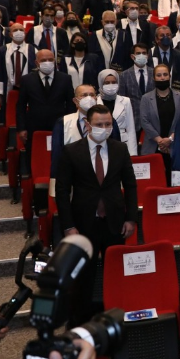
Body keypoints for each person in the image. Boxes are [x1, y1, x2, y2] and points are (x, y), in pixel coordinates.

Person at [56, 104, 138, 322]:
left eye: (108, 124)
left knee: (117, 274)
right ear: (87, 125)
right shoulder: (72, 151)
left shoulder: (120, 149)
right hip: (84, 224)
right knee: (84, 278)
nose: (104, 128)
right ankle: (80, 324)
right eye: (99, 124)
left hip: (115, 222)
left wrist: (131, 218)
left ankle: (117, 320)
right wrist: (68, 226)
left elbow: (130, 186)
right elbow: (62, 191)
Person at [139, 64, 180, 181]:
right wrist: (160, 141)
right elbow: (144, 121)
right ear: (153, 78)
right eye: (159, 75)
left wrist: (169, 139)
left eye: (165, 75)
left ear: (169, 76)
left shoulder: (179, 97)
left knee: (173, 180)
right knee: (155, 181)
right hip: (152, 145)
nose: (162, 78)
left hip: (174, 145)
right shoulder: (146, 98)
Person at [97, 69, 138, 156]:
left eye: (114, 82)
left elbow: (130, 129)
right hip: (100, 143)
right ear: (100, 83)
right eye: (107, 83)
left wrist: (133, 153)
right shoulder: (95, 101)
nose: (111, 85)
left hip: (122, 144)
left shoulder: (126, 101)